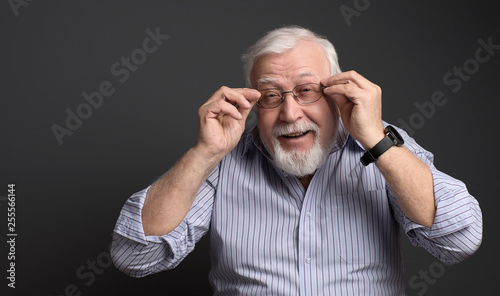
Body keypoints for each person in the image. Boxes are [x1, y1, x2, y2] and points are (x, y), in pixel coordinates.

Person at [111, 26, 482, 295]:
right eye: (271, 96)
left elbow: (459, 240)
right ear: (254, 103)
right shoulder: (224, 157)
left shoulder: (382, 142)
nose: (290, 113)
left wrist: (373, 139)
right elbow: (134, 257)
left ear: (337, 92)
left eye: (306, 91)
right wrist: (204, 153)